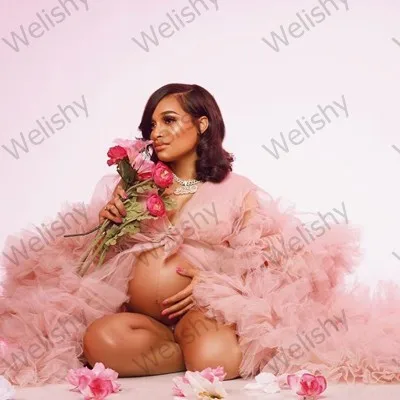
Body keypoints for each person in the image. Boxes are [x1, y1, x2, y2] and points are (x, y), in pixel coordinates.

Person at [0, 83, 399, 387]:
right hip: (143, 320)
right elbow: (106, 262)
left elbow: (262, 258)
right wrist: (109, 225)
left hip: (202, 313)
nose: (156, 132)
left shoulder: (236, 188)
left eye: (169, 120)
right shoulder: (134, 186)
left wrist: (213, 282)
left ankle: (197, 348)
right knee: (100, 341)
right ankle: (179, 354)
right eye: (152, 124)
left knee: (217, 360)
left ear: (202, 123)